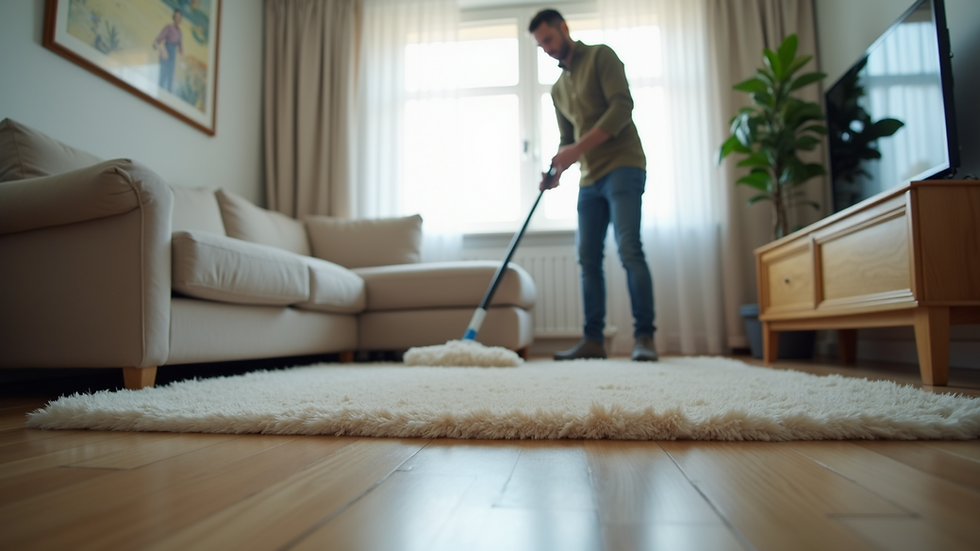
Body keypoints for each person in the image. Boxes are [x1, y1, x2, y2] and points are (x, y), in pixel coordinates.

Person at [529, 9, 657, 362]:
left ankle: (644, 337)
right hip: (590, 178)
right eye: (541, 45)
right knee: (587, 258)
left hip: (624, 165)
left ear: (564, 29)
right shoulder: (558, 89)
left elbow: (621, 108)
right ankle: (593, 341)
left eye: (549, 40)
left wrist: (574, 151)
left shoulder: (601, 55)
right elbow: (567, 139)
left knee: (629, 248)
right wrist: (556, 171)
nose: (547, 49)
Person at [154, 9, 184, 92]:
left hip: (173, 55)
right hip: (166, 51)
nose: (177, 18)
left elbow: (181, 49)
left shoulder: (180, 33)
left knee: (170, 76)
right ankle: (159, 93)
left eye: (179, 17)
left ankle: (168, 97)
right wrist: (162, 51)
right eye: (176, 16)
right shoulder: (169, 27)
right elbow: (158, 40)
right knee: (163, 74)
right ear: (173, 17)